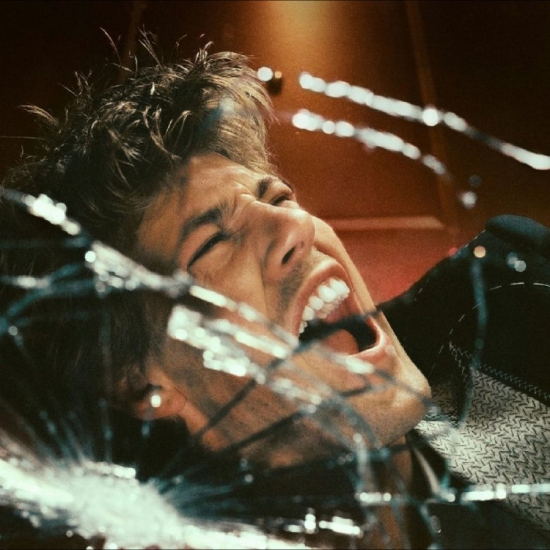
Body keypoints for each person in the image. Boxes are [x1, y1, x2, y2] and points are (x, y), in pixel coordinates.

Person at [1, 46, 549, 548]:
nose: (296, 226)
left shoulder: (519, 296)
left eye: (280, 197)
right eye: (212, 242)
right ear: (141, 383)